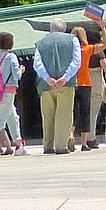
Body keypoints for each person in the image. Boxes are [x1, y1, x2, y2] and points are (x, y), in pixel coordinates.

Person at [32, 19, 81, 154]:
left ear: (50, 29)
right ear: (64, 28)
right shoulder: (72, 40)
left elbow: (37, 64)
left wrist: (47, 78)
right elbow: (76, 61)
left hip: (45, 85)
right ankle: (60, 145)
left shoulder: (40, 43)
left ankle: (48, 145)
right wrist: (64, 78)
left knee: (47, 116)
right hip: (66, 84)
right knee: (64, 114)